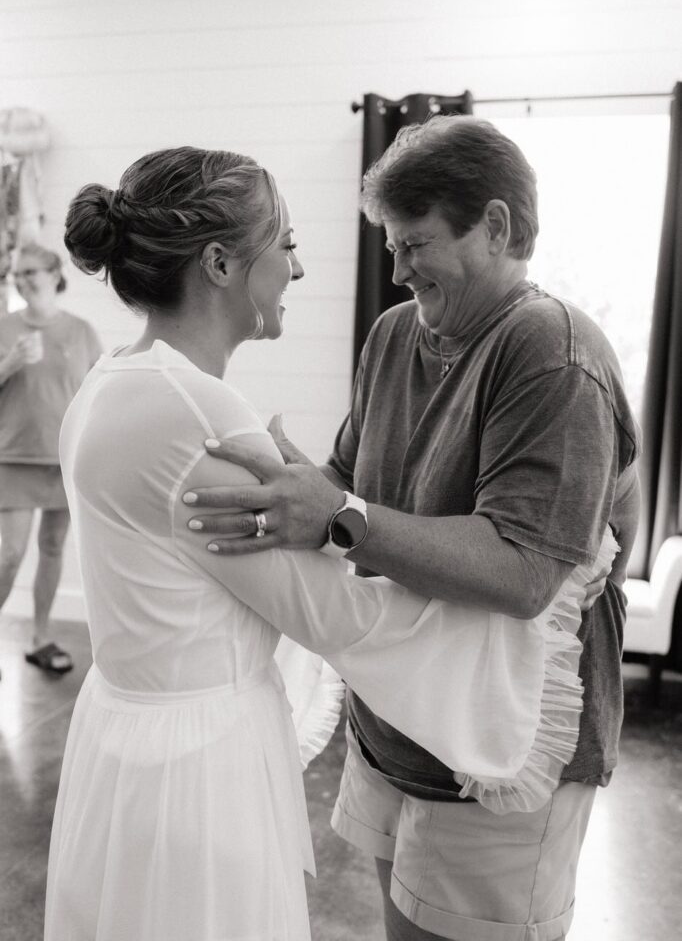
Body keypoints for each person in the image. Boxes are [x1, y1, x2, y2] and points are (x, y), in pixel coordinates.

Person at [48, 145, 614, 941]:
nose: (394, 270)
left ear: (494, 227)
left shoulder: (554, 353)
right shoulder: (377, 342)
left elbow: (516, 572)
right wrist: (318, 499)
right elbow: (335, 516)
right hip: (321, 743)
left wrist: (330, 509)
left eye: (412, 244)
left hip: (467, 765)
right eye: (287, 244)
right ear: (219, 264)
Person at [0, 243, 102, 674]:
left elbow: (98, 393)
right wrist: (10, 363)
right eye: (17, 273)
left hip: (65, 458)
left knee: (53, 547)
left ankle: (40, 636)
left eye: (30, 271)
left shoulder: (81, 331)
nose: (21, 279)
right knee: (9, 554)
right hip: (14, 456)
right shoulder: (5, 327)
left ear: (54, 274)